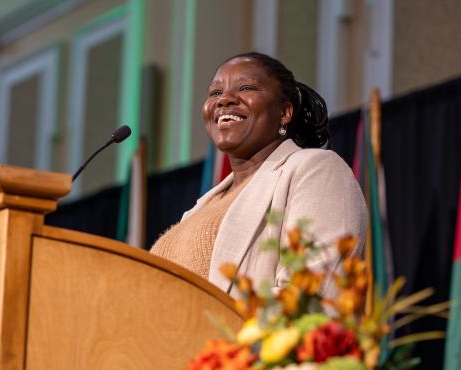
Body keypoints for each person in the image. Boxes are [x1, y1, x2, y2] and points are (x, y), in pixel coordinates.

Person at [151, 52, 367, 298]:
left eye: (245, 88)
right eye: (215, 93)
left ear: (285, 112)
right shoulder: (202, 207)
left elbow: (312, 296)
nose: (225, 100)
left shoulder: (316, 169)